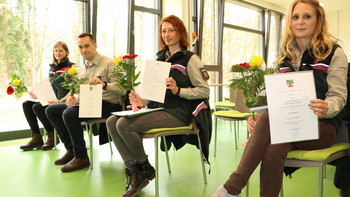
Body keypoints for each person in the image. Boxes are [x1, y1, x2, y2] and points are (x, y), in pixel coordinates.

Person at [211, 0, 348, 196]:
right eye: (295, 17)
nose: (300, 21)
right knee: (274, 145)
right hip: (289, 126)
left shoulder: (334, 52)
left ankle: (231, 188)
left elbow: (339, 95)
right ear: (290, 22)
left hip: (322, 127)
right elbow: (273, 96)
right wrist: (255, 118)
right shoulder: (283, 57)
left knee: (268, 119)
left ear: (318, 21)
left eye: (307, 16)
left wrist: (328, 107)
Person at [106, 15, 211, 197]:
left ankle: (143, 169)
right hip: (159, 109)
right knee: (111, 121)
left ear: (180, 32)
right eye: (163, 31)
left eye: (171, 30)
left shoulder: (190, 59)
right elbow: (152, 93)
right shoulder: (159, 59)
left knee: (124, 124)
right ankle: (137, 170)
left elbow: (204, 91)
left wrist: (179, 90)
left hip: (179, 112)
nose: (167, 34)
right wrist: (141, 100)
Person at [45, 33, 126, 172]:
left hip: (109, 104)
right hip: (89, 104)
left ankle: (81, 157)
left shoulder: (109, 63)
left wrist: (104, 84)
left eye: (87, 46)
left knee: (69, 114)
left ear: (95, 46)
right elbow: (80, 92)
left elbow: (122, 89)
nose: (84, 50)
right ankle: (71, 150)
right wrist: (74, 99)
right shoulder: (83, 69)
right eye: (81, 47)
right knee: (51, 110)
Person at [20, 41, 74, 151]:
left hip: (63, 101)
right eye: (55, 51)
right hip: (52, 99)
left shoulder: (71, 67)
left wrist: (60, 101)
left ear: (67, 52)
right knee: (26, 104)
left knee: (37, 107)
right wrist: (37, 94)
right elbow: (50, 86)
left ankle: (52, 135)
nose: (57, 53)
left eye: (60, 50)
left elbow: (75, 87)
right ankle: (36, 137)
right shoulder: (52, 68)